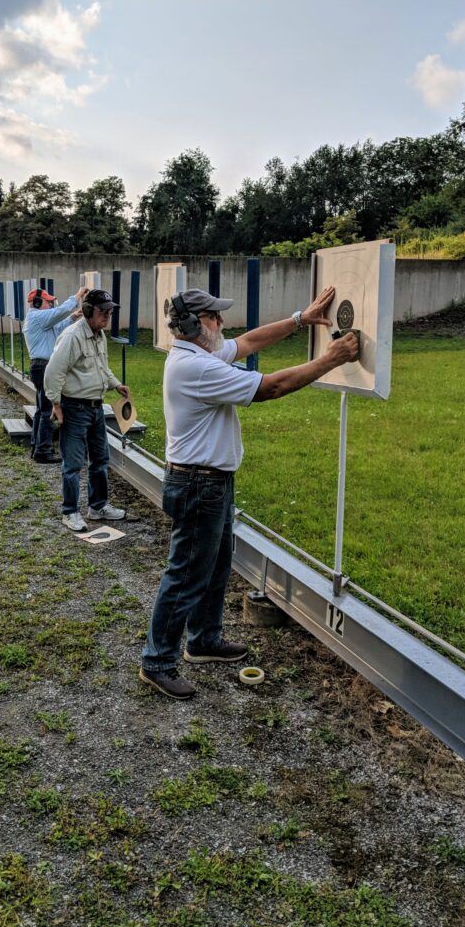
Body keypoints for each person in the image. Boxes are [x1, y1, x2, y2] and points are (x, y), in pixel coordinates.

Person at [139, 286, 359, 700]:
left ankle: (203, 641)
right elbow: (271, 388)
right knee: (185, 577)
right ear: (191, 324)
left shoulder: (198, 354)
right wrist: (329, 360)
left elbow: (249, 342)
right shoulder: (195, 367)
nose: (221, 323)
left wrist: (300, 319)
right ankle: (156, 662)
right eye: (213, 317)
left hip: (210, 482)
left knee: (216, 568)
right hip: (198, 484)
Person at [44, 288, 131, 531]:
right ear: (87, 311)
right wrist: (56, 404)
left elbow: (101, 366)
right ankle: (70, 511)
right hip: (74, 407)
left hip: (94, 407)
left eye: (110, 312)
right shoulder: (72, 336)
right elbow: (53, 372)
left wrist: (115, 384)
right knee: (72, 464)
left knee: (100, 459)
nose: (107, 316)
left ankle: (97, 506)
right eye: (103, 312)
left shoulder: (98, 335)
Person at [23, 284, 89, 464]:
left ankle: (36, 446)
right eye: (47, 302)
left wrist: (73, 317)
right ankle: (43, 450)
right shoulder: (37, 316)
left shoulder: (39, 320)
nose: (50, 306)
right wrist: (78, 295)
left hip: (40, 366)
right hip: (44, 366)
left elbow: (58, 327)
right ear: (37, 302)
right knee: (47, 410)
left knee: (40, 410)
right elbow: (60, 312)